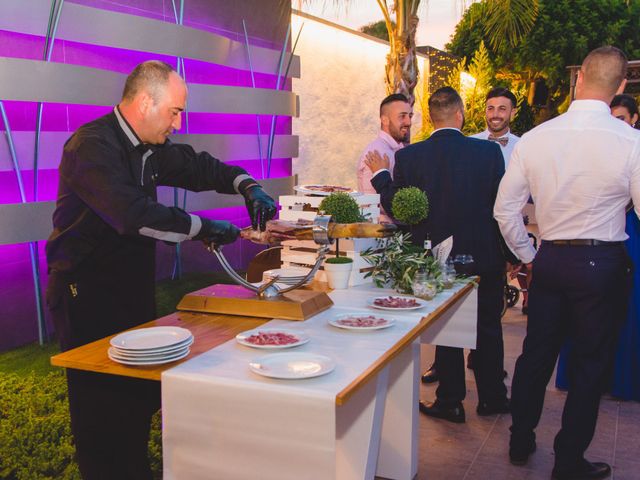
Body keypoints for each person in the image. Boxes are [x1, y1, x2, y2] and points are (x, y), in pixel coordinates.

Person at [45, 60, 276, 479]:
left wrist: (248, 185)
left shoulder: (151, 146)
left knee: (136, 397)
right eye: (175, 111)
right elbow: (133, 216)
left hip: (130, 287)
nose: (179, 123)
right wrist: (206, 228)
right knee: (100, 408)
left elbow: (199, 166)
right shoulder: (91, 146)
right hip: (86, 294)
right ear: (145, 102)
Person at [494, 46, 639, 479]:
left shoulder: (537, 137)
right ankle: (568, 460)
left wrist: (528, 254)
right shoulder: (631, 141)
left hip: (551, 258)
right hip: (603, 263)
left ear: (578, 81)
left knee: (535, 355)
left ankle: (520, 439)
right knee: (590, 364)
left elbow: (504, 211)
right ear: (621, 87)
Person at [366, 86, 513, 423]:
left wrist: (381, 177)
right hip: (484, 256)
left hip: (438, 258)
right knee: (488, 327)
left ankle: (451, 401)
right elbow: (503, 207)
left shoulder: (409, 157)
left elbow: (403, 210)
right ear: (460, 115)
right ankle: (492, 398)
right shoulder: (489, 153)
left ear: (431, 118)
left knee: (448, 331)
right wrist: (508, 251)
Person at [422, 87, 522, 384]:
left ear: (512, 112)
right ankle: (484, 390)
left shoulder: (524, 146)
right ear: (464, 115)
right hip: (480, 246)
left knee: (481, 321)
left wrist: (512, 252)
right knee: (466, 320)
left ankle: (462, 388)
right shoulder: (479, 146)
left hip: (484, 244)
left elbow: (507, 209)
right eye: (491, 108)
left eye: (502, 109)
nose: (495, 114)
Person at [556, 93, 640, 401]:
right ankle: (581, 376)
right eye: (611, 119)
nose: (616, 126)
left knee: (630, 306)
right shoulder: (592, 148)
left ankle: (622, 379)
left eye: (621, 119)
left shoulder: (635, 147)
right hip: (591, 232)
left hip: (632, 232)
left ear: (633, 119)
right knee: (586, 308)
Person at [357, 93, 413, 223]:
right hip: (381, 232)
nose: (408, 122)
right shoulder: (377, 152)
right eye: (402, 116)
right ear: (385, 120)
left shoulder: (398, 150)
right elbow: (372, 202)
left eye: (410, 116)